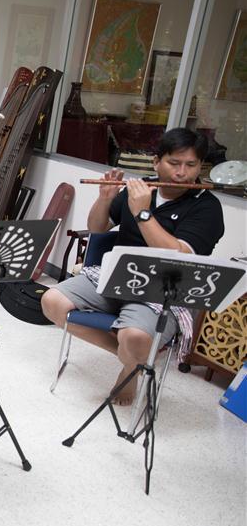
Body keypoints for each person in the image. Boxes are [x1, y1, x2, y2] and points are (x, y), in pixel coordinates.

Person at [41, 128, 225, 405]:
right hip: (117, 275)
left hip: (162, 289)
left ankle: (131, 366)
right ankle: (135, 362)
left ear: (201, 166)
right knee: (52, 301)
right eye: (174, 163)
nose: (182, 173)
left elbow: (175, 254)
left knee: (136, 337)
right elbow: (97, 228)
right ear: (156, 162)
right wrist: (104, 198)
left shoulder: (207, 207)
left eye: (191, 165)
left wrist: (142, 212)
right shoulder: (140, 189)